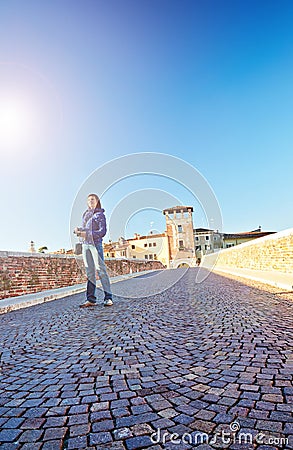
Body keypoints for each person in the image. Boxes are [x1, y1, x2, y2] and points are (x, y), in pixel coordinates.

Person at [74, 193, 113, 307]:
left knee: (101, 271)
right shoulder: (85, 215)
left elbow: (102, 232)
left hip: (96, 245)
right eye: (89, 200)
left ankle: (108, 298)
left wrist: (86, 233)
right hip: (85, 245)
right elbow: (86, 229)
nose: (90, 201)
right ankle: (91, 299)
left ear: (97, 202)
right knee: (90, 273)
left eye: (93, 199)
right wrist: (79, 230)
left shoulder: (100, 215)